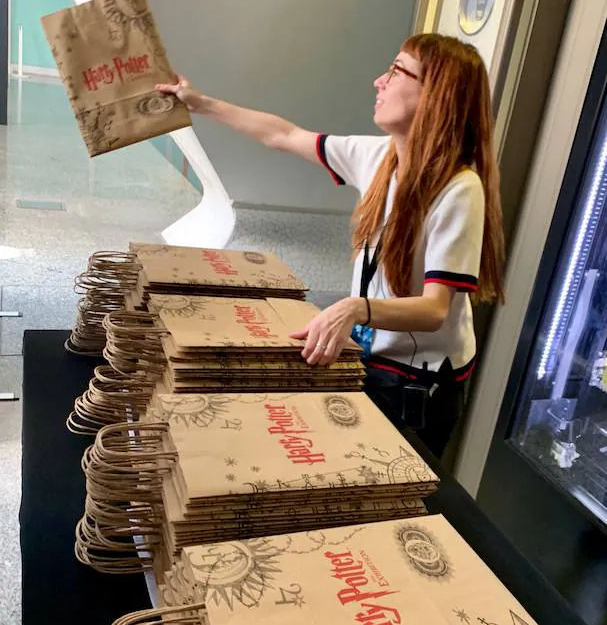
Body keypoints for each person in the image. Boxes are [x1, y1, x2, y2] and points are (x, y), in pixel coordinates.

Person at [156, 33, 504, 458]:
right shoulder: (378, 155)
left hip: (418, 384)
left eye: (396, 71)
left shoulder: (460, 188)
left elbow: (434, 311)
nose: (379, 81)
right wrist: (201, 103)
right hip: (372, 356)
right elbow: (283, 134)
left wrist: (355, 308)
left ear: (435, 95)